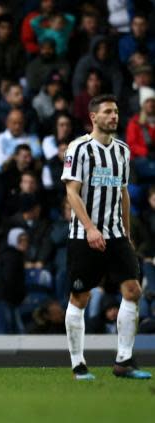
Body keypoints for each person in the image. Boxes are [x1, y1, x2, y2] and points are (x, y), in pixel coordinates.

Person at [62, 94, 151, 380]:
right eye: (108, 112)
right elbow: (72, 192)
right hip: (83, 235)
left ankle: (123, 361)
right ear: (94, 117)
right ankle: (78, 364)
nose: (114, 116)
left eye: (116, 111)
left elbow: (123, 193)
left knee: (133, 291)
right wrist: (89, 227)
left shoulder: (123, 151)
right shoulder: (79, 149)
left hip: (116, 235)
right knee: (80, 297)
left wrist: (126, 231)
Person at [0, 227, 28, 334]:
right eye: (21, 240)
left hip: (4, 299)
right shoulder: (12, 256)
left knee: (10, 332)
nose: (24, 243)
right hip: (4, 300)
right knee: (7, 334)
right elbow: (10, 279)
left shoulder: (9, 254)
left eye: (26, 240)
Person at [126, 86, 155, 182]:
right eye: (147, 101)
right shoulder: (135, 122)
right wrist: (146, 152)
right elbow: (131, 145)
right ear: (142, 104)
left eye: (152, 101)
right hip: (139, 160)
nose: (151, 104)